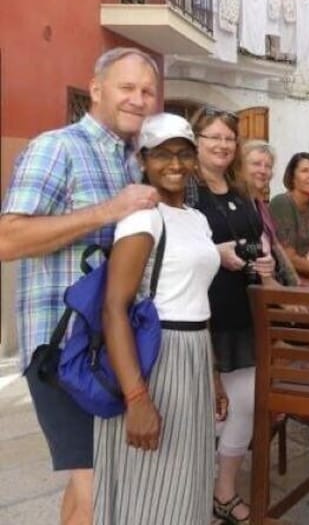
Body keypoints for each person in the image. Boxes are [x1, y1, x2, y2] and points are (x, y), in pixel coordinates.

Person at [0, 47, 159, 525]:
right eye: (126, 87)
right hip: (61, 350)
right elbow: (8, 238)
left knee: (87, 478)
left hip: (107, 350)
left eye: (147, 91)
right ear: (96, 90)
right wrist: (108, 210)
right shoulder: (57, 147)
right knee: (97, 486)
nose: (138, 99)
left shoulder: (131, 162)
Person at [94, 113, 224, 523]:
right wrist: (137, 399)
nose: (175, 164)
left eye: (184, 153)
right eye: (162, 154)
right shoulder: (142, 216)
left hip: (195, 352)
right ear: (143, 160)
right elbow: (114, 307)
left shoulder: (197, 218)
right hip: (156, 358)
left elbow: (198, 299)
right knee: (152, 490)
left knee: (187, 482)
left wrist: (213, 371)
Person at [191, 108, 277, 524]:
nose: (223, 145)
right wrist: (215, 254)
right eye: (213, 137)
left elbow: (257, 238)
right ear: (197, 141)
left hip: (243, 309)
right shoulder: (187, 191)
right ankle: (186, 495)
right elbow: (172, 245)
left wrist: (264, 260)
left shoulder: (241, 189)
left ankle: (223, 491)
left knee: (245, 403)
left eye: (228, 138)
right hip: (201, 315)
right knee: (203, 409)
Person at [241, 140, 298, 287]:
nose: (263, 170)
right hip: (255, 290)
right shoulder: (238, 204)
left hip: (273, 285)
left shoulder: (259, 205)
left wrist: (295, 285)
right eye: (256, 164)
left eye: (268, 166)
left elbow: (276, 247)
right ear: (240, 167)